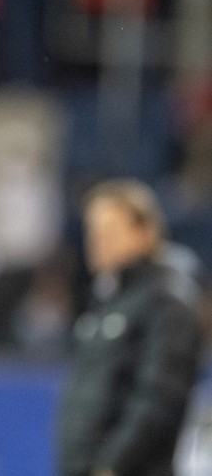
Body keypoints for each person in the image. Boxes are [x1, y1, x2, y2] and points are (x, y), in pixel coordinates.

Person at [58, 178, 204, 476]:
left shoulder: (167, 298)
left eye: (110, 231)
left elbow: (161, 395)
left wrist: (112, 465)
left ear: (145, 232)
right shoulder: (108, 298)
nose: (98, 242)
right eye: (93, 231)